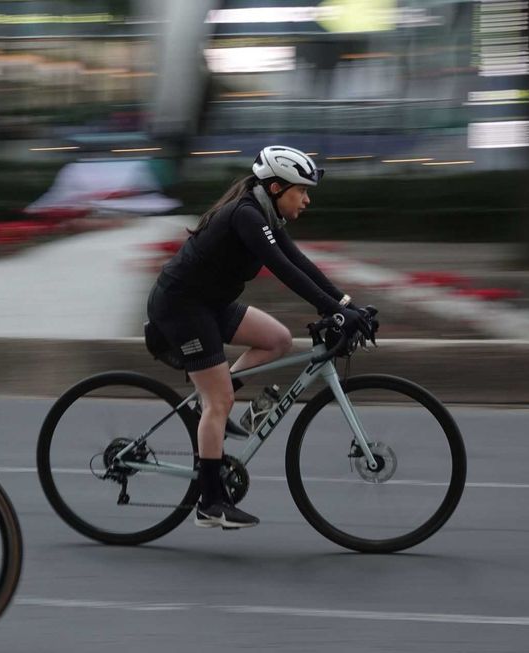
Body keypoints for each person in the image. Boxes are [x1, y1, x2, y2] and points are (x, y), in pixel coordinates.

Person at [146, 145, 373, 529]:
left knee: (278, 340)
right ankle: (210, 503)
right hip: (182, 308)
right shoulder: (246, 216)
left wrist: (348, 303)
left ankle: (210, 406)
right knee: (220, 399)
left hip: (210, 304)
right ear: (275, 188)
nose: (307, 198)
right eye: (301, 190)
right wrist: (334, 311)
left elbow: (300, 262)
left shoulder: (264, 214)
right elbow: (283, 270)